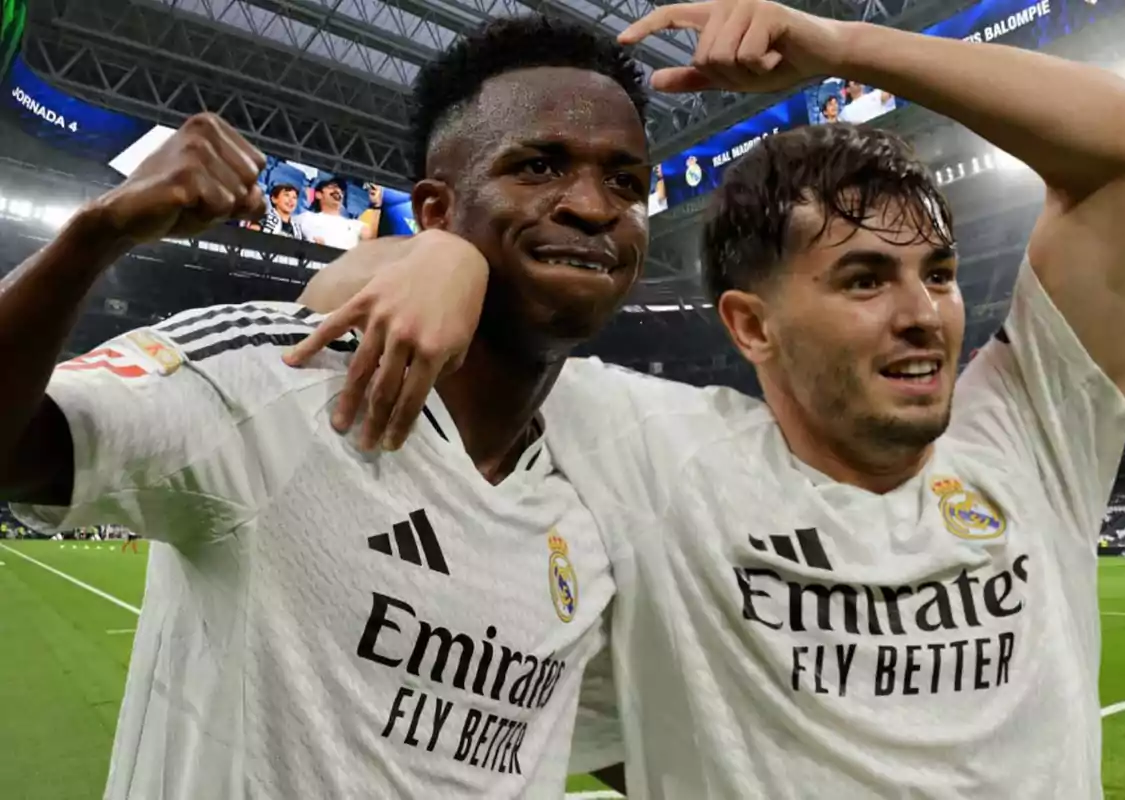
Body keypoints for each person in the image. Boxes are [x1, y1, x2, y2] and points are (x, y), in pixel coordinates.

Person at [298, 0, 1125, 796]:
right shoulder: (645, 443)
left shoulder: (1033, 433)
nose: (924, 316)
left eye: (936, 274)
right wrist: (445, 257)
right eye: (864, 281)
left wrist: (838, 48)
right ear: (751, 326)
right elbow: (335, 297)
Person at [0, 15, 653, 797]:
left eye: (627, 181)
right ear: (436, 214)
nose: (593, 204)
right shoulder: (276, 380)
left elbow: (660, 754)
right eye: (539, 166)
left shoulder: (595, 501)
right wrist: (93, 236)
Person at [293, 176, 378, 249]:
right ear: (319, 194)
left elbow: (376, 241)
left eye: (340, 190)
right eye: (332, 187)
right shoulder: (305, 218)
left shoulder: (355, 225)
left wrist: (378, 203)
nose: (338, 190)